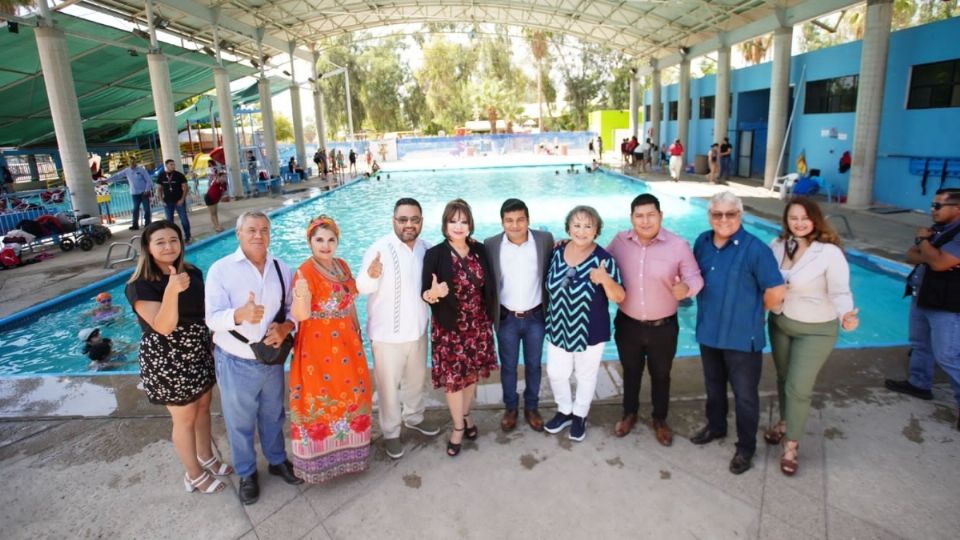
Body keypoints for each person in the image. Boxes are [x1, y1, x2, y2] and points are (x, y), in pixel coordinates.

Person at [125, 221, 230, 495]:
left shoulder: (192, 273)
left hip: (198, 349)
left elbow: (205, 312)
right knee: (184, 418)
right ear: (148, 248)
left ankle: (206, 456)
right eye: (160, 241)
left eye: (174, 240)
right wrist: (171, 290)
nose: (169, 246)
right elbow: (163, 326)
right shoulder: (139, 286)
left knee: (204, 406)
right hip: (167, 358)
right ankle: (193, 474)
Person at [205, 212, 302, 505]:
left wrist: (286, 327)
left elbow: (291, 310)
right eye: (251, 230)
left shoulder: (281, 268)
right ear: (239, 234)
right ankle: (247, 472)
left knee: (273, 415)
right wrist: (239, 314)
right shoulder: (221, 270)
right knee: (239, 421)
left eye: (263, 230)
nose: (258, 235)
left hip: (271, 360)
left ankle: (276, 460)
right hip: (235, 360)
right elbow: (211, 318)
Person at [690, 192, 785, 475]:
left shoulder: (756, 249)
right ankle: (716, 427)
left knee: (745, 396)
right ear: (709, 217)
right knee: (713, 387)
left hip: (743, 337)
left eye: (730, 214)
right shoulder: (702, 243)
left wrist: (753, 314)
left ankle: (746, 448)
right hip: (710, 332)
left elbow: (776, 292)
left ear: (739, 216)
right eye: (717, 214)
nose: (723, 220)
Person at [766, 196, 859, 476]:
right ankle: (784, 422)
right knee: (783, 378)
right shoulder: (777, 245)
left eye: (805, 218)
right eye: (793, 218)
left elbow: (840, 291)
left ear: (815, 220)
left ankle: (791, 445)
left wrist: (846, 316)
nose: (799, 223)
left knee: (798, 386)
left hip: (816, 330)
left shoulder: (828, 252)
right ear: (786, 220)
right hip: (780, 321)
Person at [606, 194, 703, 446]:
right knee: (630, 372)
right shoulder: (619, 242)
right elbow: (597, 260)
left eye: (651, 215)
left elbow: (695, 277)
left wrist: (687, 289)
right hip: (628, 323)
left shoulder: (678, 245)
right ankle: (629, 413)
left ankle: (660, 418)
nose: (645, 221)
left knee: (661, 374)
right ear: (631, 218)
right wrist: (568, 244)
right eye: (639, 216)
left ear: (660, 216)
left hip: (663, 327)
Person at [356, 198, 441, 459]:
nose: (408, 225)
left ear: (421, 222)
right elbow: (361, 288)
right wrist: (371, 274)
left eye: (414, 219)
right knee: (388, 388)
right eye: (403, 220)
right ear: (394, 221)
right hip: (387, 336)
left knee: (415, 381)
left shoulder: (427, 249)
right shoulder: (380, 248)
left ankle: (414, 417)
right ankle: (391, 433)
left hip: (417, 331)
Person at [288, 215, 372, 482]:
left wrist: (358, 332)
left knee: (352, 394)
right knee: (320, 399)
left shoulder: (342, 266)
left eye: (330, 240)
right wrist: (301, 294)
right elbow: (300, 316)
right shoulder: (305, 272)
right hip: (317, 347)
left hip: (347, 344)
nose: (325, 245)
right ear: (310, 242)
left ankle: (351, 456)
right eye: (319, 240)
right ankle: (317, 463)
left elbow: (349, 304)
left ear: (337, 241)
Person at [421, 199, 498, 457]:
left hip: (477, 325)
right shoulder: (435, 254)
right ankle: (457, 427)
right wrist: (433, 294)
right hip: (450, 329)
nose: (458, 225)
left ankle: (465, 415)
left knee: (470, 376)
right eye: (453, 220)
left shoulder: (480, 250)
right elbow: (425, 292)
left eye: (464, 221)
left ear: (470, 224)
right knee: (454, 381)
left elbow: (488, 284)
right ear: (444, 224)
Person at [543, 206, 625, 441]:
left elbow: (619, 297)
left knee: (585, 375)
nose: (581, 231)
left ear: (596, 230)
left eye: (588, 226)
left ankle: (579, 415)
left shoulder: (604, 259)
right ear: (568, 227)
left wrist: (605, 280)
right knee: (556, 373)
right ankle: (564, 410)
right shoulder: (557, 252)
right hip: (558, 325)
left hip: (589, 328)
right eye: (576, 225)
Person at [885, 188, 960, 431]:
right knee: (920, 344)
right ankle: (919, 384)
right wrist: (930, 251)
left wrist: (924, 244)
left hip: (947, 303)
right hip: (923, 295)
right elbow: (910, 255)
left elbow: (938, 263)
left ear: (957, 208)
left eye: (938, 206)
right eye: (932, 204)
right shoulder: (939, 231)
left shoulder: (951, 234)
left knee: (947, 356)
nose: (932, 209)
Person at [483, 199, 554, 432]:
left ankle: (532, 407)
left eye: (520, 219)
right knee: (509, 366)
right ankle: (511, 408)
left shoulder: (544, 240)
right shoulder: (491, 244)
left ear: (528, 220)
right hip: (506, 318)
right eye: (509, 220)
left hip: (536, 317)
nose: (515, 225)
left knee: (534, 365)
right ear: (502, 222)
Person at [157, 159, 192, 244]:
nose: (173, 166)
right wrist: (161, 200)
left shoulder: (179, 175)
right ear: (166, 166)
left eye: (173, 164)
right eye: (171, 165)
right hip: (167, 202)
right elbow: (159, 189)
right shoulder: (161, 175)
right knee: (169, 221)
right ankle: (173, 238)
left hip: (179, 201)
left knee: (184, 219)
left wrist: (182, 199)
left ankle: (188, 236)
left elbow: (185, 188)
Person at [114, 157, 153, 230]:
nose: (132, 163)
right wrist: (107, 180)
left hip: (144, 193)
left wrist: (147, 189)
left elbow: (149, 181)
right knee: (135, 209)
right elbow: (117, 175)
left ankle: (148, 224)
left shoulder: (142, 170)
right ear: (128, 163)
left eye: (133, 162)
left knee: (147, 209)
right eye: (130, 162)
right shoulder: (127, 170)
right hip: (135, 194)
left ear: (136, 162)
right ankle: (135, 225)